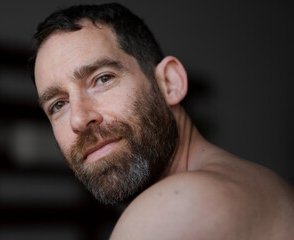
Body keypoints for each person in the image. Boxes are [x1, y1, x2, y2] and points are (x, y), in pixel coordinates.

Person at [30, 3, 294, 239]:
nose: (78, 119)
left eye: (102, 78)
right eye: (58, 105)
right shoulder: (265, 185)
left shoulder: (171, 208)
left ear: (169, 82)